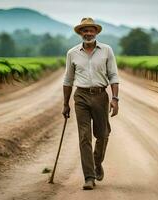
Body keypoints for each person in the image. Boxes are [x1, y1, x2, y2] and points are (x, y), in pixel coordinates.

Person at [62, 17, 120, 190]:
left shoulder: (107, 50)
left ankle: (96, 162)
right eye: (84, 30)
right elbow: (68, 80)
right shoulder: (72, 53)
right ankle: (89, 177)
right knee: (84, 137)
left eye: (91, 30)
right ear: (80, 33)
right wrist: (66, 104)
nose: (88, 33)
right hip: (81, 97)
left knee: (102, 135)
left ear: (96, 32)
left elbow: (114, 76)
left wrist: (115, 99)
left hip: (101, 96)